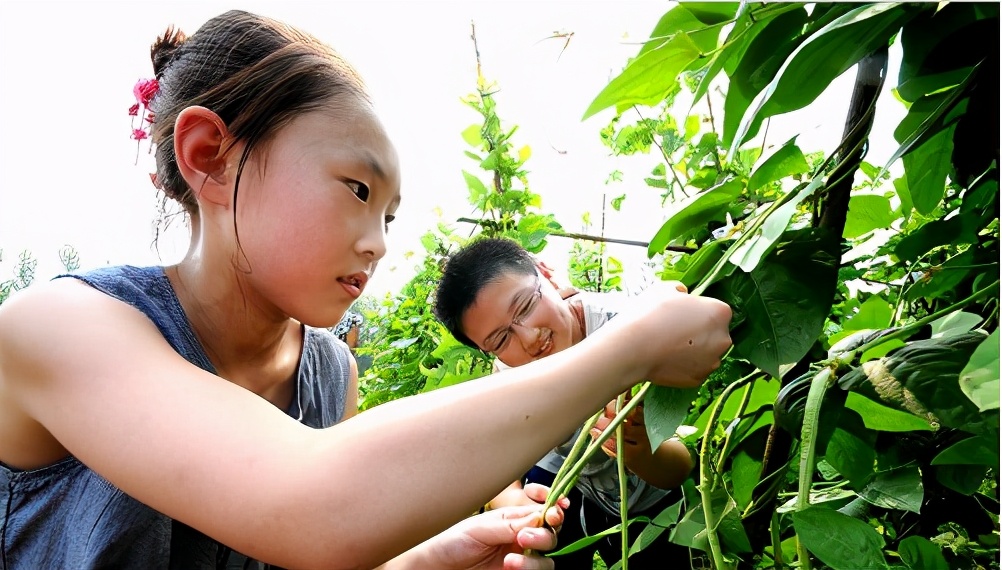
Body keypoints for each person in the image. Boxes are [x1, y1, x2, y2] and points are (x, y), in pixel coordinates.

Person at [0, 10, 733, 570]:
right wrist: (633, 346)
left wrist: (426, 559)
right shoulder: (59, 327)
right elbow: (307, 502)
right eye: (357, 188)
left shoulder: (328, 371)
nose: (379, 242)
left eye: (389, 214)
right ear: (211, 157)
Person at [434, 237, 696, 568]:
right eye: (501, 339)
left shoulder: (631, 328)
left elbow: (680, 468)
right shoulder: (507, 373)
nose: (530, 338)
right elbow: (498, 468)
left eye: (527, 306)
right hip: (574, 490)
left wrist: (639, 449)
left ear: (545, 273)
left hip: (652, 500)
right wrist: (514, 504)